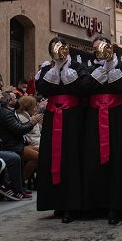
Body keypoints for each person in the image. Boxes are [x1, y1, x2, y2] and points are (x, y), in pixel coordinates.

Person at [81, 40, 122, 224]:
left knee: (117, 159)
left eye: (103, 48)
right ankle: (96, 204)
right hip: (94, 118)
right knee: (94, 159)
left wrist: (111, 66)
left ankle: (117, 205)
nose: (99, 51)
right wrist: (101, 70)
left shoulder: (121, 66)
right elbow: (85, 88)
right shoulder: (88, 67)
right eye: (96, 48)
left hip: (117, 118)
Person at [36, 38, 87, 223]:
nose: (58, 52)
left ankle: (72, 205)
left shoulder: (77, 67)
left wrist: (64, 71)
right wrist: (55, 69)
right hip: (52, 116)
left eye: (61, 48)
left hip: (72, 117)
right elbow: (42, 89)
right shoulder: (47, 68)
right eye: (54, 48)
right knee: (52, 158)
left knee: (70, 157)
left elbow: (82, 88)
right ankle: (56, 201)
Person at [15, 95, 41, 183]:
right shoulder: (22, 117)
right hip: (26, 144)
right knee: (40, 156)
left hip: (33, 142)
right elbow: (27, 136)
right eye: (34, 106)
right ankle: (21, 180)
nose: (36, 108)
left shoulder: (29, 116)